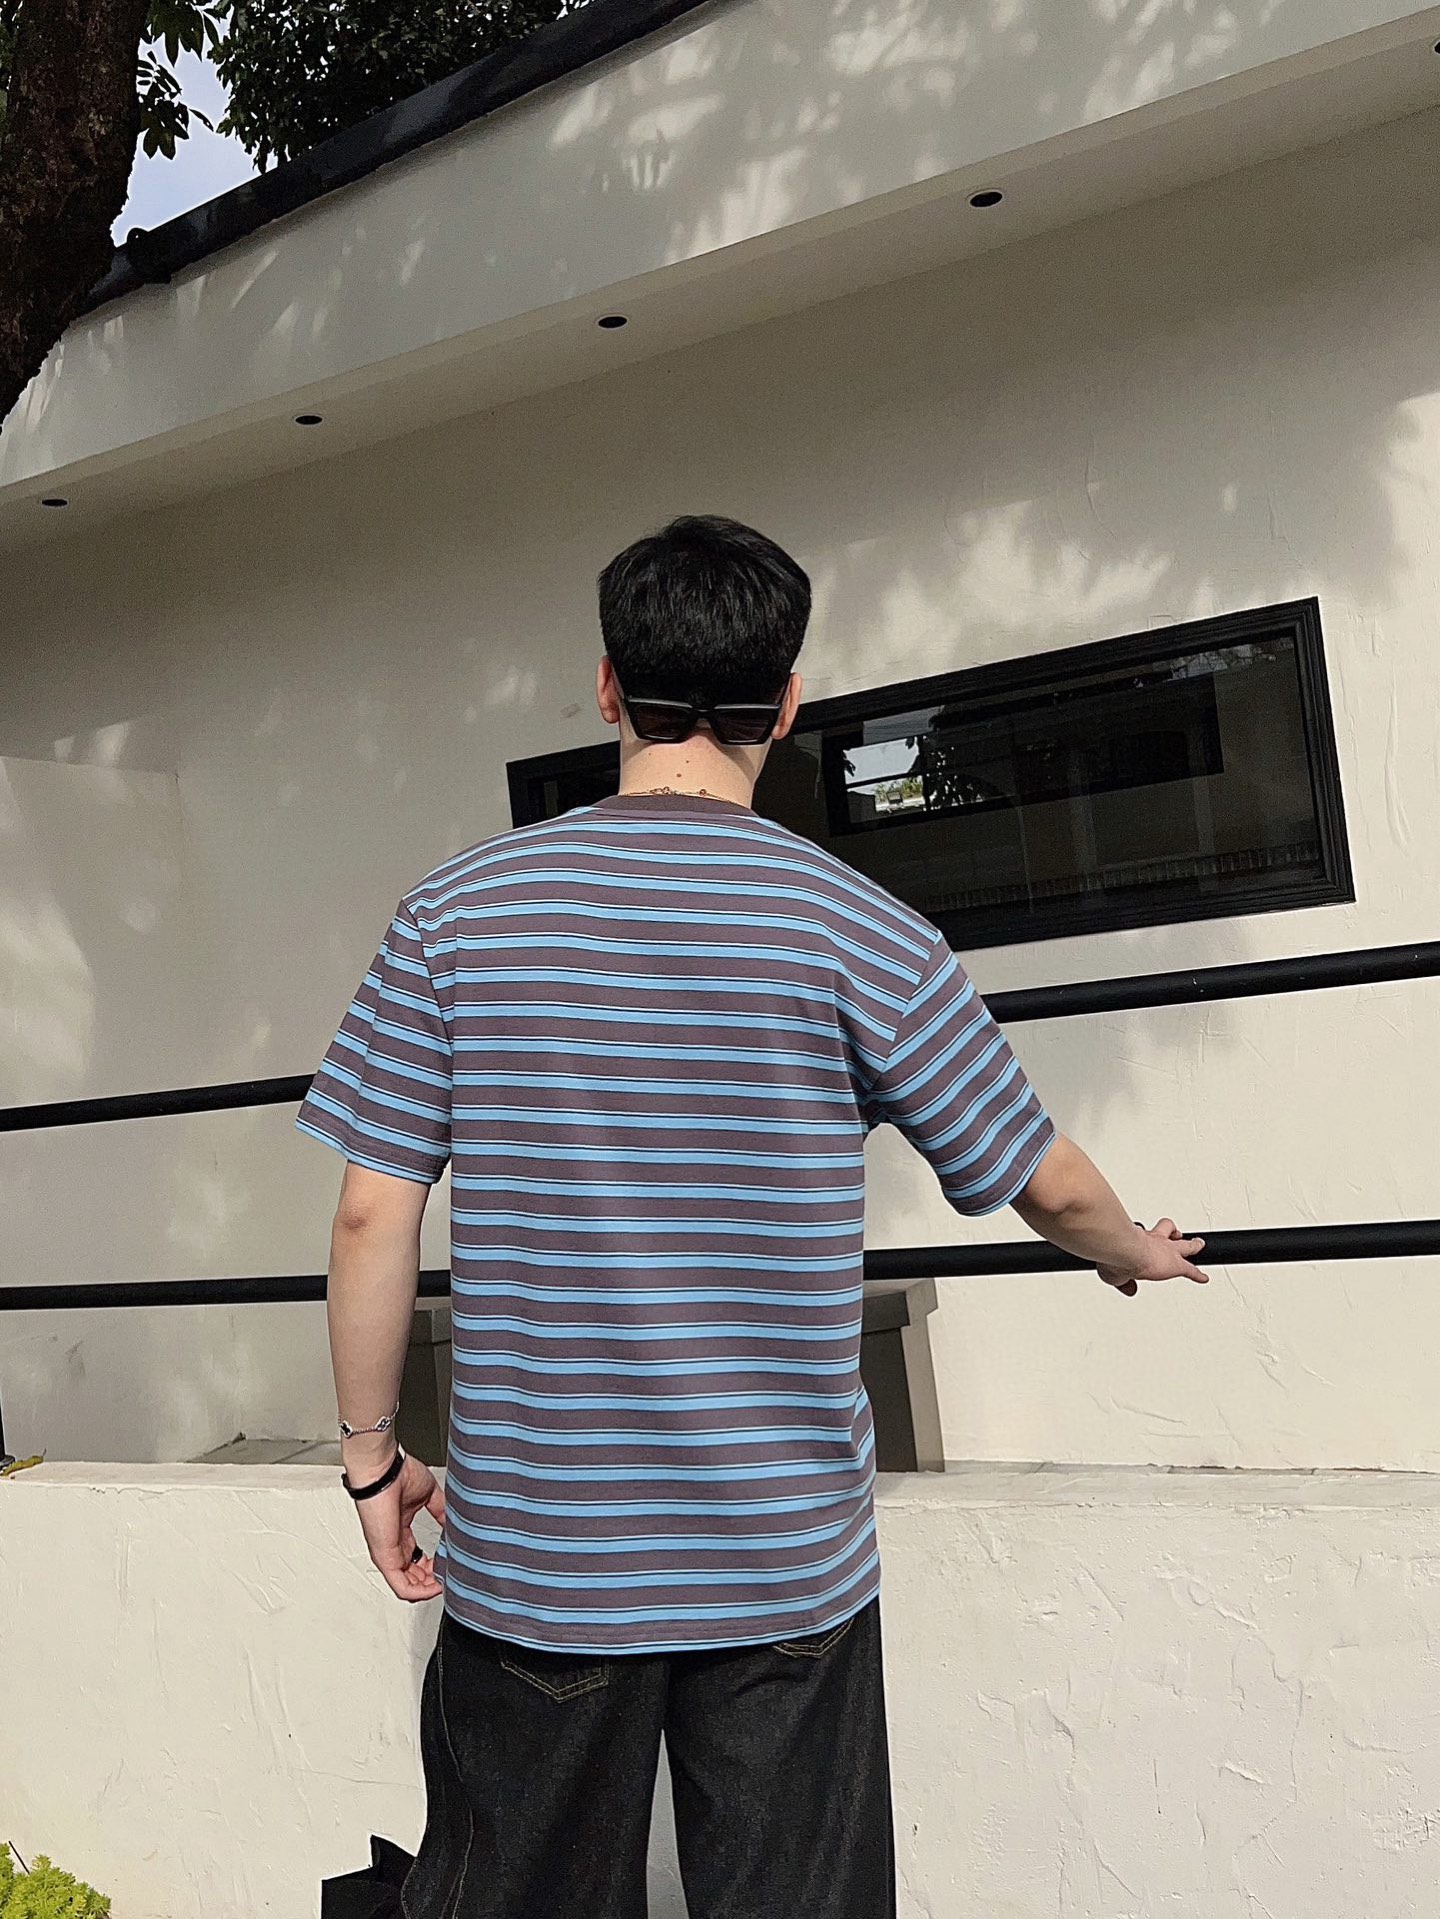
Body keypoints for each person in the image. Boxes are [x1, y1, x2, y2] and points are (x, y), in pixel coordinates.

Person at [298, 515, 1207, 1919]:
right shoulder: (859, 925)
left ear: (609, 688)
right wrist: (1132, 1249)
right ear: (785, 704)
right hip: (784, 1562)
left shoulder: (456, 915)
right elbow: (1047, 1176)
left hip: (541, 1562)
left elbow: (373, 1218)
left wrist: (373, 1464)